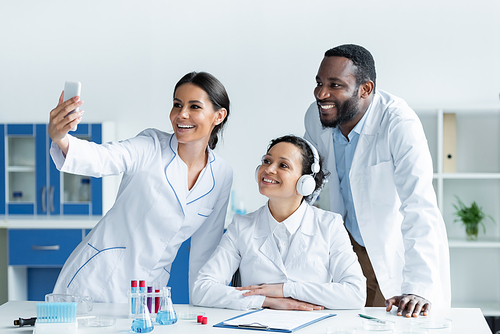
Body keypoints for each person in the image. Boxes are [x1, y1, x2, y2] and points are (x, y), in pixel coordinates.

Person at [48, 71, 233, 303]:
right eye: (177, 104)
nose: (181, 114)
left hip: (149, 292)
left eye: (194, 106)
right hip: (95, 281)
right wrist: (61, 138)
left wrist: (204, 308)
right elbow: (102, 157)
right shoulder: (150, 146)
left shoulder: (221, 174)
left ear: (218, 116)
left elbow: (205, 254)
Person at [304, 44, 451, 317]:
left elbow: (419, 204)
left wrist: (418, 285)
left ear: (365, 89)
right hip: (344, 248)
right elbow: (311, 181)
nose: (321, 94)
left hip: (390, 251)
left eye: (335, 85)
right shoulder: (317, 117)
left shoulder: (399, 123)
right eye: (319, 82)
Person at [192, 135, 366, 311]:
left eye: (283, 165)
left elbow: (355, 294)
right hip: (257, 327)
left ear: (306, 182)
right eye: (266, 161)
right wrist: (265, 301)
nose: (269, 169)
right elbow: (202, 289)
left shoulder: (329, 225)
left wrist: (285, 289)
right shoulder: (241, 226)